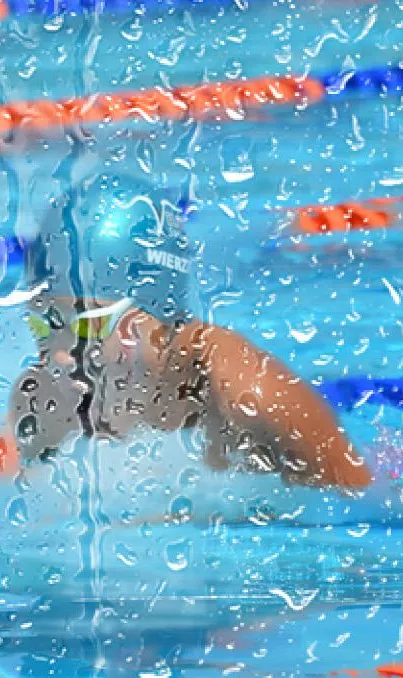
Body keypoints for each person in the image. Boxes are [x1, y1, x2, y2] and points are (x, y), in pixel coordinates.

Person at [2, 171, 372, 492]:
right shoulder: (44, 397)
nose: (59, 354)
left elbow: (359, 510)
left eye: (88, 325)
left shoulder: (243, 392)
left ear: (152, 318)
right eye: (46, 323)